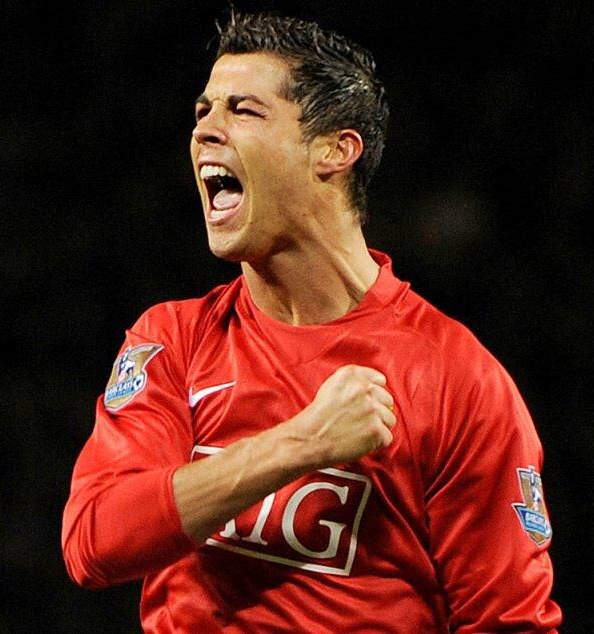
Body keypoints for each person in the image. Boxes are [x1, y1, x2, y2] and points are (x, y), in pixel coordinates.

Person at [61, 11, 562, 632]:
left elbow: (510, 622)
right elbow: (95, 540)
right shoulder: (174, 341)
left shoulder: (454, 378)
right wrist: (302, 444)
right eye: (203, 111)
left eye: (243, 110)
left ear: (335, 150)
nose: (205, 131)